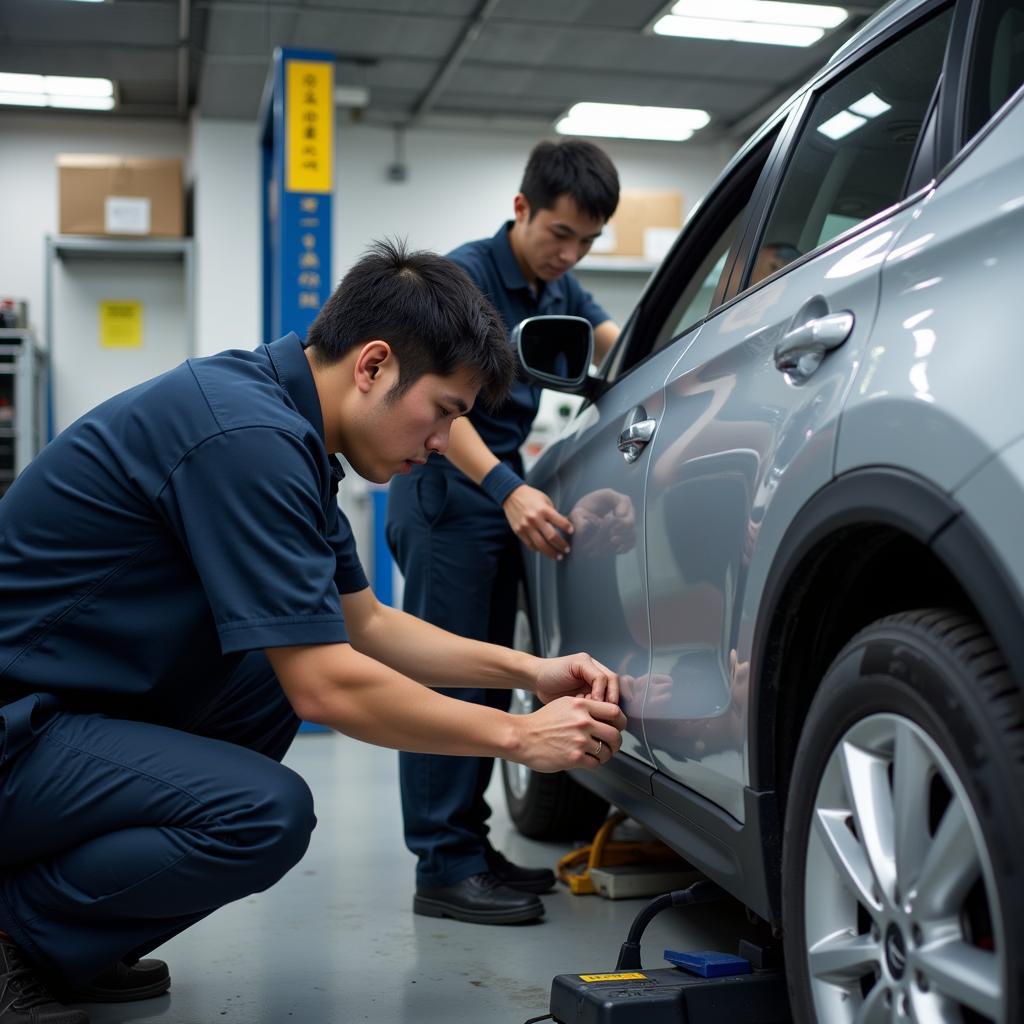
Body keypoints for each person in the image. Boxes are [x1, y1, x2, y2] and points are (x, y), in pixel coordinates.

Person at [0, 240, 626, 1024]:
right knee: (263, 812)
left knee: (274, 667)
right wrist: (517, 737)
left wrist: (531, 672)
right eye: (443, 413)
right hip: (18, 733)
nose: (441, 447)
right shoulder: (245, 439)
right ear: (372, 365)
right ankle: (18, 934)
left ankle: (67, 939)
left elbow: (362, 624)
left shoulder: (285, 429)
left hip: (64, 713)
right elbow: (327, 686)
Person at [386, 139, 622, 926]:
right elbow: (436, 410)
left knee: (486, 675)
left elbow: (613, 336)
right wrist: (507, 490)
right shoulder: (465, 278)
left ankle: (470, 845)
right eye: (561, 234)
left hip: (492, 494)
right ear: (521, 209)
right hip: (443, 488)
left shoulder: (555, 282)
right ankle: (441, 867)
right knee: (446, 678)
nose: (571, 253)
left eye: (588, 242)